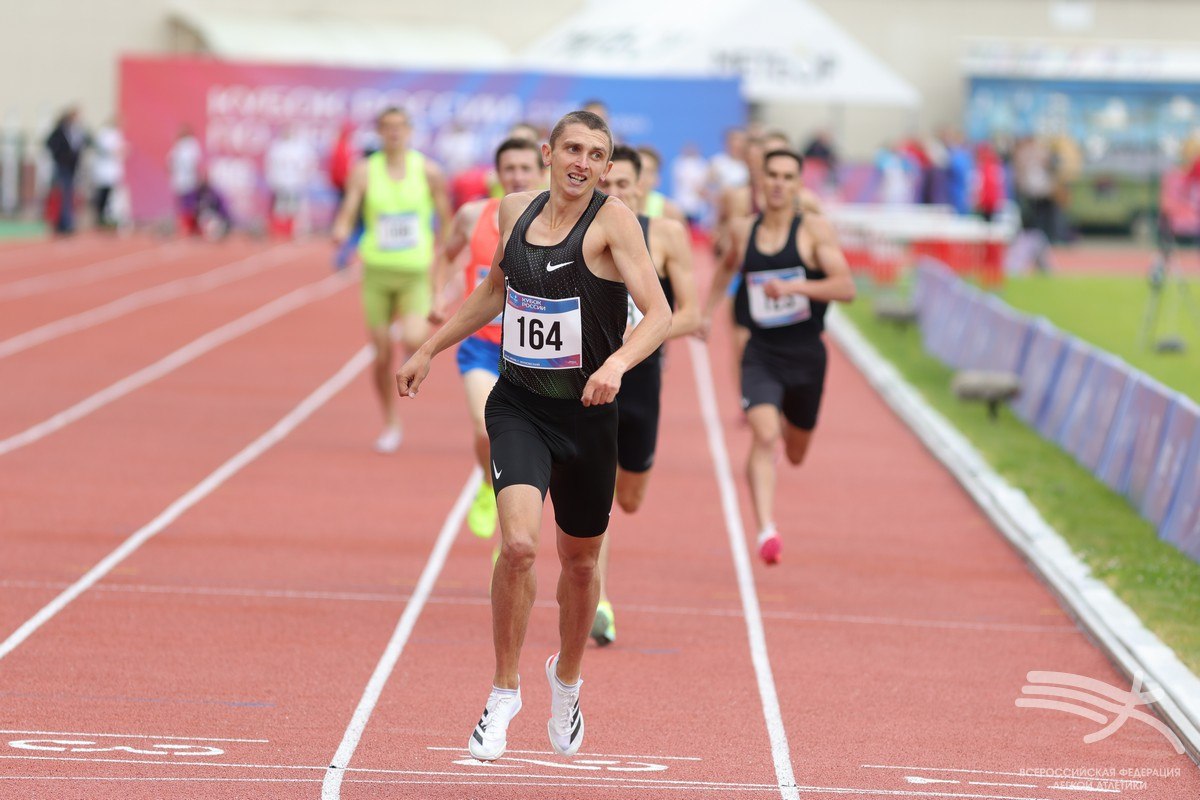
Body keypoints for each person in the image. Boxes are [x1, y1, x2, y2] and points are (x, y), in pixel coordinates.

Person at [395, 110, 670, 761]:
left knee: (578, 565)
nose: (582, 162)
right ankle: (503, 691)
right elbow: (494, 290)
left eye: (595, 154)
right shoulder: (515, 209)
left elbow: (659, 314)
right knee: (518, 546)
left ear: (605, 166)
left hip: (588, 419)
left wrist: (615, 364)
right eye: (572, 148)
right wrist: (430, 348)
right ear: (549, 151)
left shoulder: (613, 222)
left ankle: (566, 682)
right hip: (518, 405)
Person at [702, 150, 855, 564]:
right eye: (771, 175)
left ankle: (791, 430)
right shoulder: (742, 230)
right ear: (760, 182)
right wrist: (705, 312)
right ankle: (766, 529)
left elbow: (845, 286)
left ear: (798, 184)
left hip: (807, 355)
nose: (778, 184)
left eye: (788, 176)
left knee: (797, 451)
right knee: (765, 434)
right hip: (762, 352)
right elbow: (726, 269)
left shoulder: (813, 231)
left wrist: (795, 289)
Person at [591, 145, 699, 645]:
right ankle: (599, 599)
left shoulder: (667, 235)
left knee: (629, 497)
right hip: (593, 376)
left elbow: (692, 316)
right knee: (599, 493)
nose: (615, 194)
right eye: (606, 186)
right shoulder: (583, 235)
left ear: (641, 188)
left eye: (624, 186)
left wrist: (640, 337)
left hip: (643, 378)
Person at [429, 137, 545, 540]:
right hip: (481, 346)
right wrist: (437, 295)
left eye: (525, 168)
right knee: (485, 430)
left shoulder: (554, 221)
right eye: (509, 168)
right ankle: (485, 482)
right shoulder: (472, 215)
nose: (517, 176)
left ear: (541, 171)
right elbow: (446, 255)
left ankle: (512, 526)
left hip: (531, 353)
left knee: (530, 449)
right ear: (497, 174)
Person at [333, 107, 451, 453]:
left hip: (415, 271)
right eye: (387, 127)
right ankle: (390, 421)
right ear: (379, 132)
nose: (394, 133)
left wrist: (449, 253)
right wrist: (340, 230)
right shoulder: (365, 171)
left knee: (414, 337)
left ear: (410, 131)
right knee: (382, 354)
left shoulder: (428, 171)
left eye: (400, 127)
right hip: (377, 273)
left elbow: (445, 216)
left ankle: (412, 366)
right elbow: (349, 208)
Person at [264, 126, 316, 238]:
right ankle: (280, 231)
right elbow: (271, 166)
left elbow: (308, 164)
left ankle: (297, 231)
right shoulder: (278, 148)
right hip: (284, 182)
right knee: (282, 209)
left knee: (295, 209)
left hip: (294, 182)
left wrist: (305, 178)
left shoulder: (297, 147)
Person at [44, 106, 89, 235]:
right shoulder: (60, 130)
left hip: (72, 168)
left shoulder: (76, 131)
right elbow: (50, 144)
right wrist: (59, 156)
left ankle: (67, 222)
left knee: (68, 195)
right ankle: (62, 223)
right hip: (62, 167)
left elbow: (82, 144)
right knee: (62, 194)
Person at [634, 146, 686, 224]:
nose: (641, 176)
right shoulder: (616, 206)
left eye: (648, 171)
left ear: (657, 179)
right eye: (638, 169)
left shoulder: (671, 212)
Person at [90, 117, 126, 230]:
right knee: (103, 194)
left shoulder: (116, 134)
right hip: (104, 170)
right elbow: (106, 150)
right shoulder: (104, 134)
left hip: (112, 170)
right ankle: (101, 217)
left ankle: (109, 217)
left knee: (112, 195)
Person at [168, 125, 203, 234]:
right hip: (188, 181)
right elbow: (196, 163)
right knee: (190, 205)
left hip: (180, 181)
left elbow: (169, 165)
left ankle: (187, 226)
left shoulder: (178, 147)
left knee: (186, 205)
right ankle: (190, 227)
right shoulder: (191, 145)